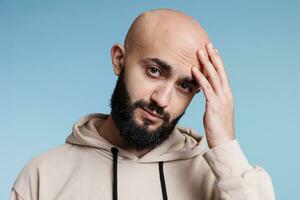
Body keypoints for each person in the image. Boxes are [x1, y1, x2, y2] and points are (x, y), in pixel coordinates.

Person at [10, 9, 275, 200]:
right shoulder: (43, 176)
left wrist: (226, 144)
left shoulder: (218, 179)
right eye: (154, 71)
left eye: (184, 86)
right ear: (119, 59)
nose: (161, 99)